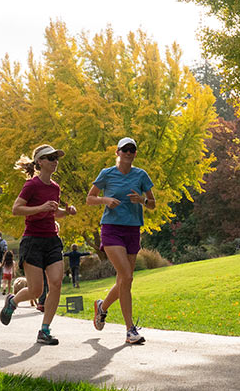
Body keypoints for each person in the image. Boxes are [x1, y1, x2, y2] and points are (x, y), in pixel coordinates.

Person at [0, 144, 77, 346]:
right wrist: (41, 207)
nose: (55, 161)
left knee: (56, 283)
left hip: (52, 240)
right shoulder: (31, 185)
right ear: (40, 162)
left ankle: (45, 330)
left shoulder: (55, 188)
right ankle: (13, 301)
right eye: (50, 158)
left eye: (56, 158)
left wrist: (66, 211)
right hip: (33, 240)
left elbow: (53, 212)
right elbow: (16, 209)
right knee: (35, 290)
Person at [86, 136, 156, 345]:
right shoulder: (107, 174)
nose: (128, 152)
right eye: (124, 149)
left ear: (135, 153)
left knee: (126, 279)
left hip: (132, 229)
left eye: (131, 149)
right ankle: (130, 330)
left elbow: (152, 204)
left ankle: (102, 307)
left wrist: (142, 200)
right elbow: (90, 198)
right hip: (111, 229)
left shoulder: (141, 175)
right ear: (117, 152)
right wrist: (105, 200)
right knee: (126, 275)